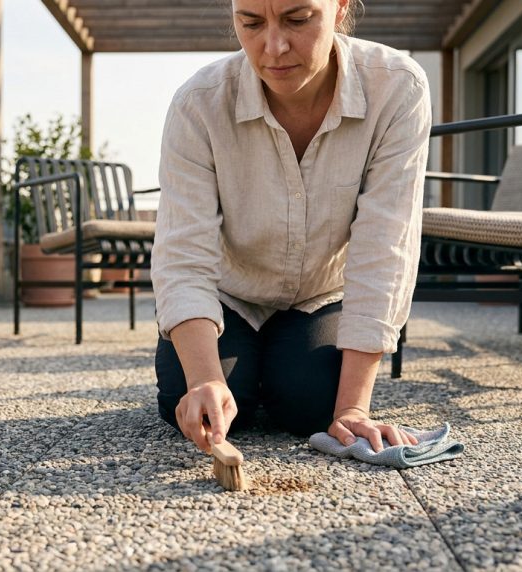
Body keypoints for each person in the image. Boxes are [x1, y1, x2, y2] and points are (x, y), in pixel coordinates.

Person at [151, 0, 430, 456]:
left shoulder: (397, 87)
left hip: (319, 294)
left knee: (312, 406)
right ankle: (233, 368)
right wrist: (204, 378)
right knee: (196, 401)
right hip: (231, 292)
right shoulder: (197, 103)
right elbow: (182, 252)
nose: (274, 47)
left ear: (340, 8)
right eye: (251, 23)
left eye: (298, 20)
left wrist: (353, 410)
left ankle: (282, 370)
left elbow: (386, 244)